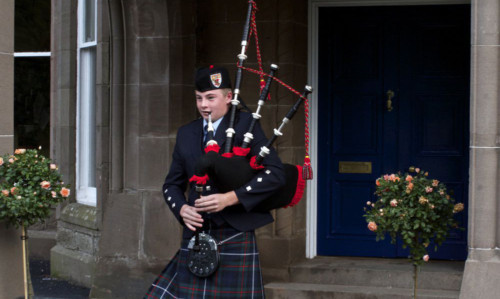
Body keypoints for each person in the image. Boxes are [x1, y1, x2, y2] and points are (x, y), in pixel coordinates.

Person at [144, 65, 285, 298]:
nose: (204, 105)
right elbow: (172, 185)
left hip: (233, 232)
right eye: (199, 98)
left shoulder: (246, 125)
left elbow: (275, 174)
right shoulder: (186, 133)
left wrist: (229, 198)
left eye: (211, 98)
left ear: (229, 97)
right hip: (196, 236)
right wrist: (182, 208)